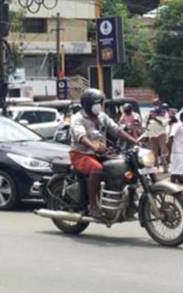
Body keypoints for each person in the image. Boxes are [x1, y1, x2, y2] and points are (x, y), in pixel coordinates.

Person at [69, 88, 139, 218]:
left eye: (100, 103)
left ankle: (127, 201)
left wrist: (134, 141)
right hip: (80, 154)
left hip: (100, 153)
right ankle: (92, 205)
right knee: (96, 169)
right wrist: (94, 147)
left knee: (123, 165)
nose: (99, 106)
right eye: (97, 103)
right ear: (88, 104)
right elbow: (81, 136)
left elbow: (116, 130)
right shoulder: (77, 118)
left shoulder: (102, 116)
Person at [145, 107, 170, 173]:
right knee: (154, 153)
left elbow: (163, 124)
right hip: (152, 137)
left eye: (153, 112)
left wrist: (155, 118)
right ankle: (156, 168)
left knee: (163, 152)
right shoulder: (150, 120)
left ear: (156, 113)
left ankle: (165, 168)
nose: (152, 114)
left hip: (161, 136)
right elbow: (147, 128)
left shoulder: (164, 118)